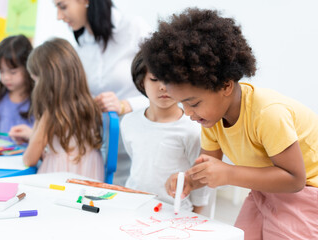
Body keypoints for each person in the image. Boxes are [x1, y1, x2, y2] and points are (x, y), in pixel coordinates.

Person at [141, 8, 318, 239]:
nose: (188, 113)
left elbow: (295, 180)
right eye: (183, 104)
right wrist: (190, 180)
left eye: (193, 103)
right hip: (265, 191)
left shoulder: (268, 113)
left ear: (225, 85)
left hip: (305, 195)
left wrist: (229, 173)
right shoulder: (211, 118)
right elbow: (209, 165)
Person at [54, 0, 152, 185]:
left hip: (139, 143)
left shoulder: (134, 29)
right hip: (100, 146)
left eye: (63, 6)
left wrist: (125, 105)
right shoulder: (81, 45)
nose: (59, 16)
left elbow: (170, 88)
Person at [121, 51, 211, 213]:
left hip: (175, 212)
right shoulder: (129, 122)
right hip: (133, 205)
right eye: (155, 79)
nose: (163, 87)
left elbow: (200, 179)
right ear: (142, 82)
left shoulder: (193, 129)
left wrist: (197, 216)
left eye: (172, 80)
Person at [17, 38, 104, 181]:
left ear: (45, 81)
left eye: (36, 80)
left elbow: (29, 160)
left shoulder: (51, 113)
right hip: (91, 176)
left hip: (59, 178)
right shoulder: (91, 103)